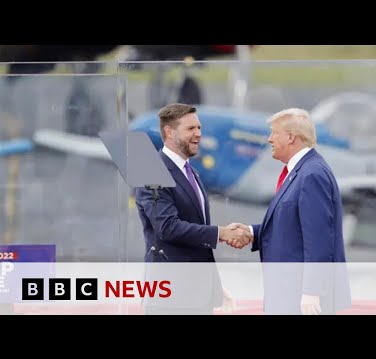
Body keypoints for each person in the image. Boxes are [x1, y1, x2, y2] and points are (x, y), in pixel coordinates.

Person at [228, 108, 351, 315]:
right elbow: (292, 227)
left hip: (300, 299)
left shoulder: (311, 175)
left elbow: (319, 238)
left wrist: (311, 292)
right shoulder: (299, 171)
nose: (269, 140)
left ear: (291, 137)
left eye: (274, 133)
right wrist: (251, 232)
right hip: (289, 294)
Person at [135, 103, 251, 314]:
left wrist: (213, 287)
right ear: (169, 132)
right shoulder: (152, 173)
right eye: (190, 129)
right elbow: (168, 228)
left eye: (199, 128)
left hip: (196, 296)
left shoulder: (192, 173)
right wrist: (221, 233)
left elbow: (197, 240)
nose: (198, 134)